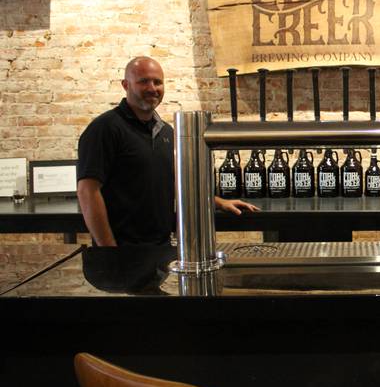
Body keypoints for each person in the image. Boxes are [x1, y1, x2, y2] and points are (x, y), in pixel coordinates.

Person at [77, 56, 258, 246]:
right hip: (122, 251)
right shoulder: (105, 128)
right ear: (125, 85)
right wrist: (109, 249)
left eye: (157, 82)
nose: (152, 88)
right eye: (143, 81)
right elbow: (87, 191)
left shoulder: (166, 132)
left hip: (159, 247)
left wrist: (219, 202)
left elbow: (174, 181)